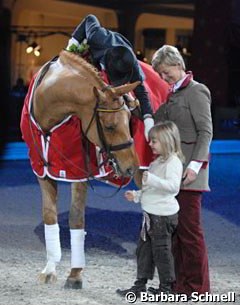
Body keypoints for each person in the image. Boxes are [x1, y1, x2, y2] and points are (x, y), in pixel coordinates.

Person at [151, 45, 213, 296]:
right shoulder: (171, 95)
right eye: (161, 76)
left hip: (190, 174)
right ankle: (178, 286)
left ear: (178, 64)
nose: (165, 79)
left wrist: (195, 166)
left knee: (190, 233)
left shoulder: (197, 91)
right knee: (174, 232)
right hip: (172, 173)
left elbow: (206, 132)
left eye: (167, 73)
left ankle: (198, 288)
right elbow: (157, 122)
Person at [116, 121, 184, 297]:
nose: (150, 144)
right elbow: (151, 189)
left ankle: (166, 288)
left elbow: (173, 187)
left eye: (154, 141)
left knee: (161, 252)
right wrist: (137, 195)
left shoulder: (173, 162)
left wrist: (152, 180)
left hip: (162, 217)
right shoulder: (156, 163)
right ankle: (140, 285)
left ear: (166, 141)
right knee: (143, 251)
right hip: (150, 215)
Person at [66, 14, 154, 141]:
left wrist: (148, 120)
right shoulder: (96, 37)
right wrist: (73, 44)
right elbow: (90, 18)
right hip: (91, 56)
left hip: (117, 56)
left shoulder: (132, 64)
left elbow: (141, 92)